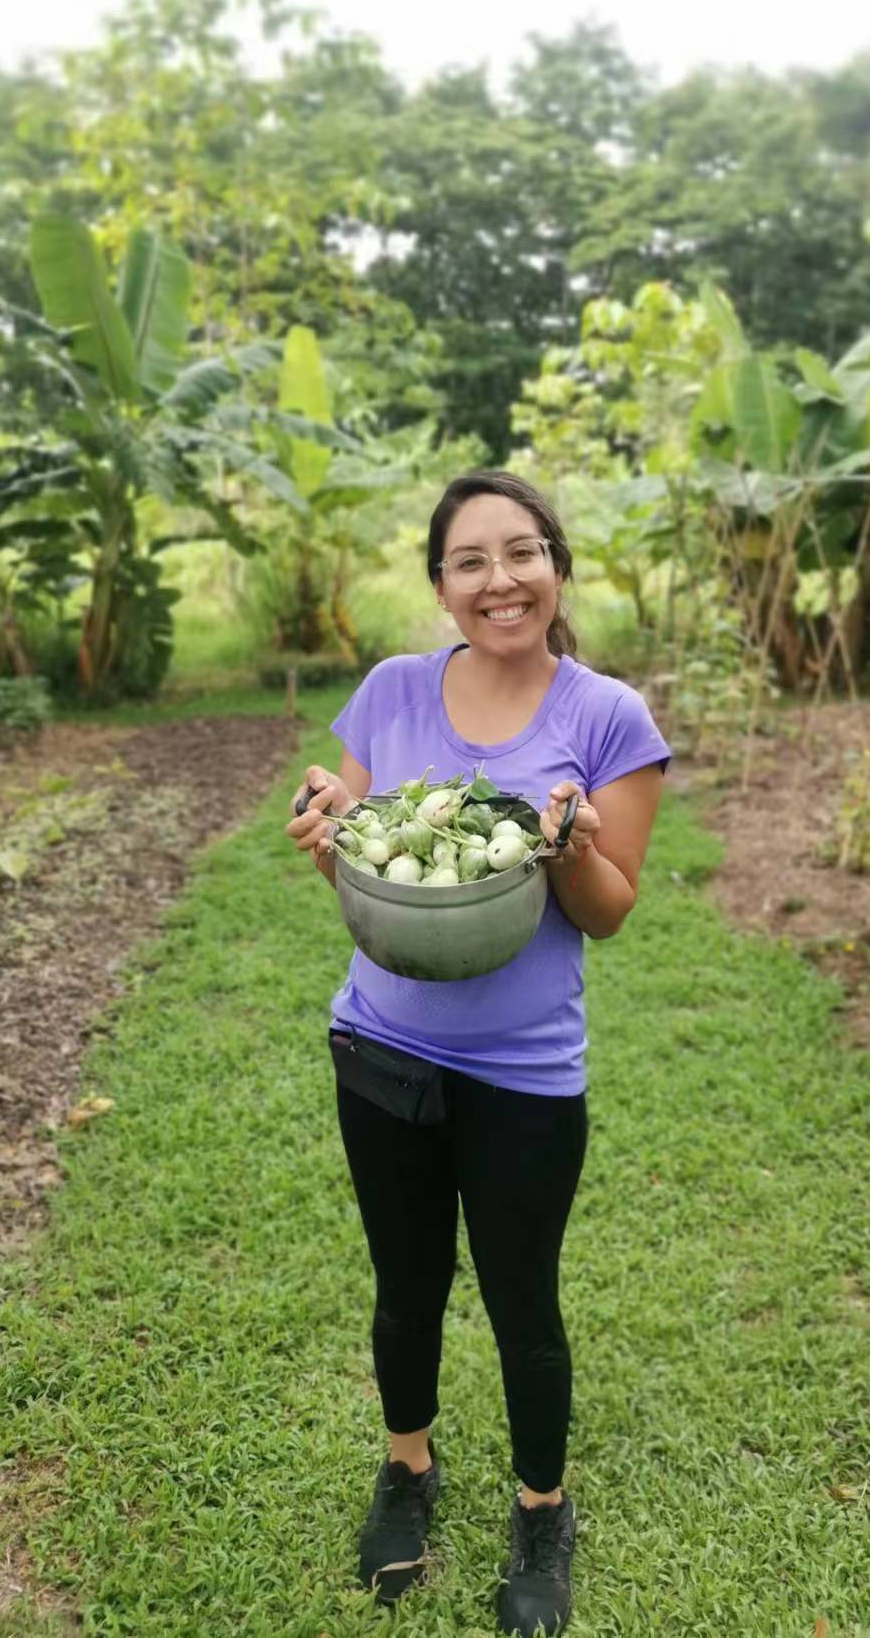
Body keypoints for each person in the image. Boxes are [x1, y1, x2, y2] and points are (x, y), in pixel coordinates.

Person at [285, 470, 670, 1636]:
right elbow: (366, 868)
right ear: (441, 584)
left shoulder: (608, 716)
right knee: (404, 1285)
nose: (498, 580)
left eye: (520, 553)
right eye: (469, 561)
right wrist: (325, 828)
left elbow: (608, 910)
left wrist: (568, 849)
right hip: (381, 1045)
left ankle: (541, 1509)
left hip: (524, 1073)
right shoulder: (393, 690)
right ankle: (406, 1466)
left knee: (520, 1298)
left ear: (554, 565)